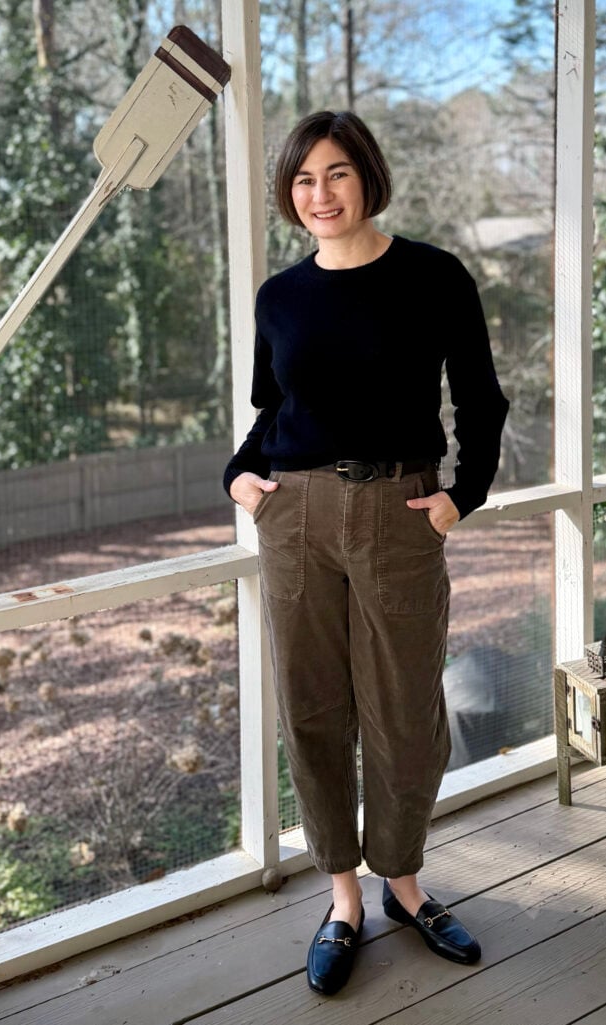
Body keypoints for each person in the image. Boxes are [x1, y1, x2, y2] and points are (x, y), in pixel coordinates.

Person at [224, 109, 509, 996]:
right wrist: (240, 474)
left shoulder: (433, 275)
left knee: (403, 707)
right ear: (288, 191)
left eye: (337, 174)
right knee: (311, 708)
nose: (321, 194)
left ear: (368, 178)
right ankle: (343, 898)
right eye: (304, 179)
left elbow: (482, 400)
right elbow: (272, 408)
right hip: (296, 513)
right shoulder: (280, 296)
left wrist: (460, 496)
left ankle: (405, 883)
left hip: (398, 508)